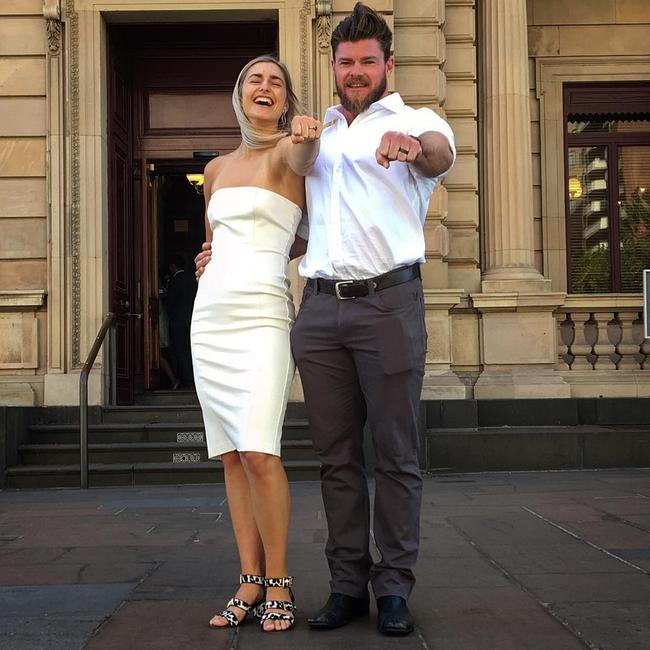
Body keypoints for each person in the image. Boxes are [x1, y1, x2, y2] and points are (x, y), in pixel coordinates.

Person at [196, 3, 455, 637]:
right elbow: (295, 224)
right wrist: (224, 249)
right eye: (347, 62)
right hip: (320, 310)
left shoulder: (415, 119)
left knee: (395, 455)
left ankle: (393, 589)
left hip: (389, 305)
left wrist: (413, 147)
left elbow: (441, 156)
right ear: (333, 67)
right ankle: (346, 586)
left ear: (387, 64)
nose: (357, 71)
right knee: (336, 458)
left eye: (369, 61)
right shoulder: (320, 134)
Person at [190, 55, 319, 633]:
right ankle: (247, 578)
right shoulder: (215, 169)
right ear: (238, 94)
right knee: (231, 456)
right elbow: (216, 241)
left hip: (265, 315)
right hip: (211, 315)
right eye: (253, 80)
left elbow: (306, 159)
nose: (264, 88)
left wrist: (308, 134)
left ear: (286, 101)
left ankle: (280, 581)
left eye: (276, 82)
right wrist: (206, 260)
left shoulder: (291, 153)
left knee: (262, 451)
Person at [165, 254, 196, 388]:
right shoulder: (192, 278)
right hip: (192, 319)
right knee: (191, 349)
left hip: (178, 321)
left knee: (180, 350)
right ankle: (194, 380)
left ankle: (187, 381)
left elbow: (169, 302)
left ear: (172, 266)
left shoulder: (175, 281)